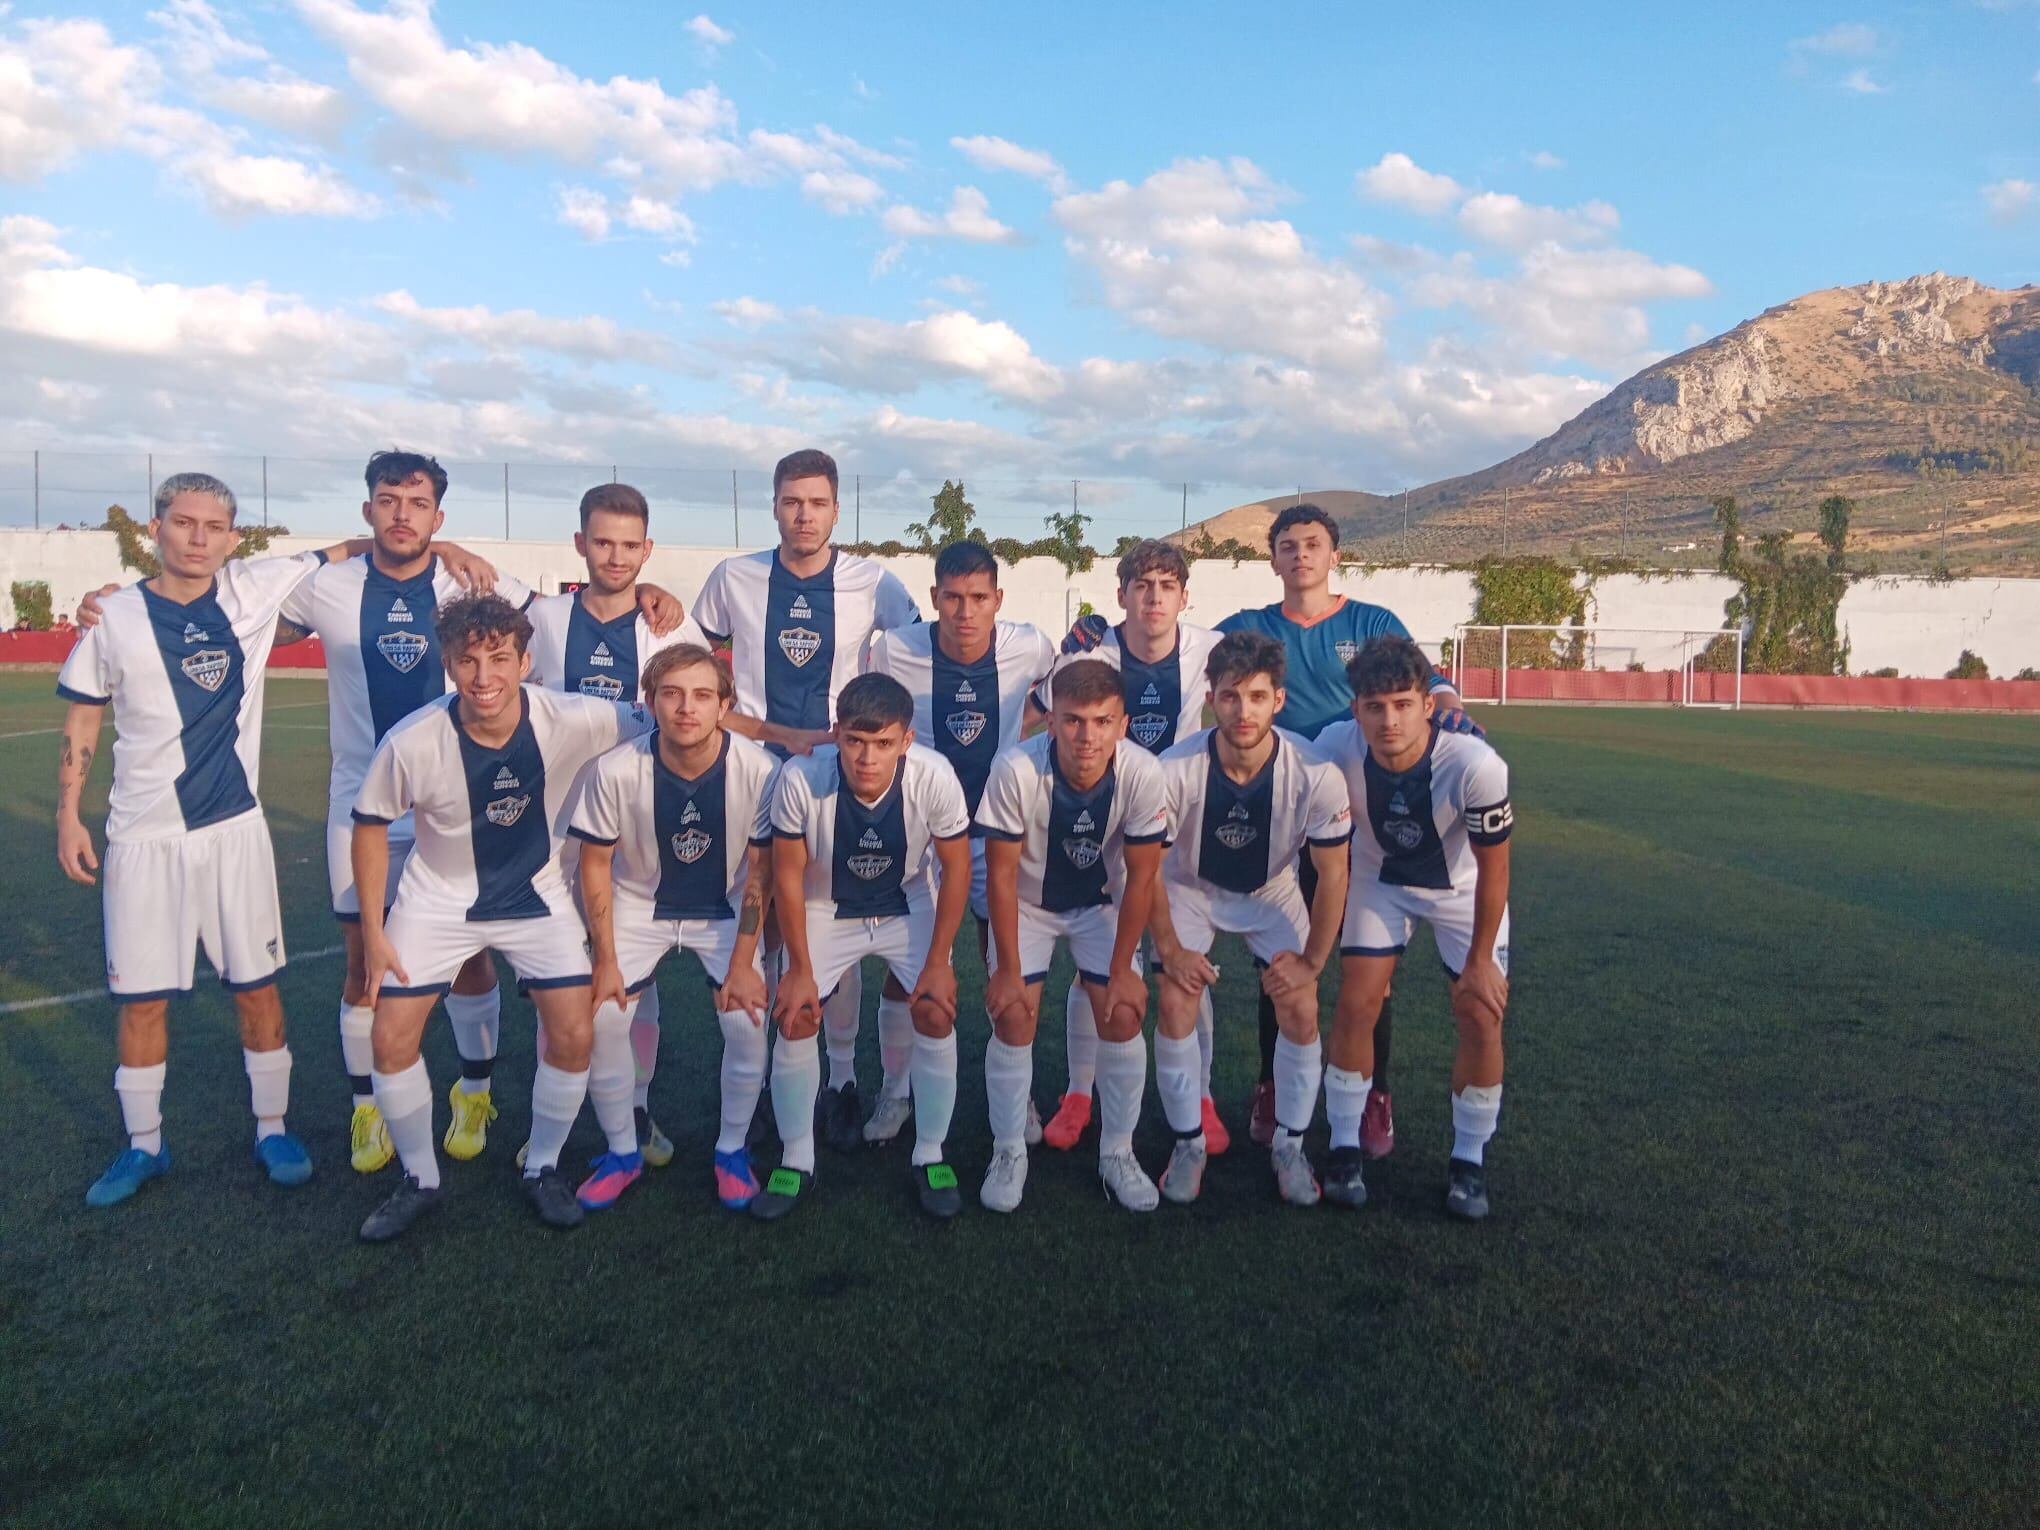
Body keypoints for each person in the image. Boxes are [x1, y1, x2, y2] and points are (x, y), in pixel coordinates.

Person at [54, 472, 371, 1205]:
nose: (198, 538)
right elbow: (82, 718)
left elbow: (358, 544)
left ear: (233, 537)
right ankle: (144, 1148)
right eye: (184, 522)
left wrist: (447, 543)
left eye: (213, 526)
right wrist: (69, 812)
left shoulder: (252, 591)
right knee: (142, 1001)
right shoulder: (114, 616)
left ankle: (272, 1128)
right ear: (156, 528)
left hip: (234, 831)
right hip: (141, 838)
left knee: (256, 988)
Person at [349, 594, 653, 1241]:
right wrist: (374, 932)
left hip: (536, 897)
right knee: (391, 1038)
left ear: (524, 660)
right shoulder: (413, 739)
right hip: (437, 899)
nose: (483, 676)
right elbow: (371, 825)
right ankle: (421, 1178)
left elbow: (674, 720)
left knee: (576, 1034)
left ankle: (542, 1166)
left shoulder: (573, 718)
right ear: (448, 664)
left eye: (498, 658)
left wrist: (784, 742)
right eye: (468, 661)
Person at [1215, 502, 1476, 1157]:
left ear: (1335, 556)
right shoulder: (1249, 628)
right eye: (1287, 545)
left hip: (1362, 818)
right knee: (1278, 961)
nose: (1300, 554)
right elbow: (1168, 650)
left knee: (1369, 974)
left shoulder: (1372, 622)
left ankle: (1372, 1096)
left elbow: (1430, 684)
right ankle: (1273, 1086)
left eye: (1312, 544)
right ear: (1271, 559)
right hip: (1277, 817)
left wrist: (1452, 713)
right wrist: (1096, 634)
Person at [690, 448, 922, 1156]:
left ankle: (843, 1081)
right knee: (758, 931)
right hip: (748, 769)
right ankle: (763, 1085)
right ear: (774, 505)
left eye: (817, 502)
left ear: (836, 510)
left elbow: (919, 646)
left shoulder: (874, 582)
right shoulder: (734, 577)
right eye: (792, 500)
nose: (803, 514)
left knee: (829, 923)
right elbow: (689, 654)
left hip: (837, 777)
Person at [528, 481, 708, 1173]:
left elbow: (700, 709)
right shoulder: (542, 617)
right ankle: (558, 1113)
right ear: (579, 543)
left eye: (631, 545)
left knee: (633, 976)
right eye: (602, 541)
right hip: (548, 830)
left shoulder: (669, 626)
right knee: (555, 978)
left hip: (639, 828)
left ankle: (633, 1104)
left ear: (648, 549)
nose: (616, 556)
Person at [755, 673, 972, 1221]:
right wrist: (800, 968)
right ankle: (797, 1159)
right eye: (854, 740)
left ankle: (930, 1153)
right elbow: (787, 875)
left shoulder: (935, 776)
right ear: (837, 735)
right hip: (827, 904)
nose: (867, 757)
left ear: (907, 740)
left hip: (906, 902)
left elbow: (956, 867)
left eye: (882, 743)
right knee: (798, 1012)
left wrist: (941, 961)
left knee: (934, 1006)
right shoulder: (801, 779)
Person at [570, 644, 778, 1213]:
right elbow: (594, 864)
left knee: (746, 1022)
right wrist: (605, 959)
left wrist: (742, 962)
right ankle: (621, 1152)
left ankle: (731, 1151)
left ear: (724, 705)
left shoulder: (761, 770)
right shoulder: (616, 769)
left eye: (703, 695)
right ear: (650, 702)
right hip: (639, 903)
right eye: (672, 694)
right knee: (605, 1018)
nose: (687, 708)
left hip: (724, 905)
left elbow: (761, 872)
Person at [861, 540, 1055, 1149]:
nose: (965, 612)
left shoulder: (1029, 645)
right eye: (952, 598)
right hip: (916, 830)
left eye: (978, 599)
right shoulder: (895, 650)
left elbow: (1056, 691)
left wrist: (1020, 739)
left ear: (998, 600)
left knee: (1003, 961)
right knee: (910, 963)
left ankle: (1015, 1094)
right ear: (934, 599)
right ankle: (896, 1090)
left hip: (994, 828)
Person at [1147, 633, 1351, 1207]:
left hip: (1272, 889)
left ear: (1278, 701)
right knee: (1174, 998)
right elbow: (1148, 871)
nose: (1244, 711)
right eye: (1231, 696)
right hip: (1189, 888)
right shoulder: (1174, 769)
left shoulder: (1316, 772)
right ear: (1211, 698)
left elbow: (1333, 875)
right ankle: (1188, 1144)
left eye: (1258, 697)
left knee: (1301, 1004)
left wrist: (1313, 962)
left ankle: (1289, 1144)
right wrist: (1170, 948)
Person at [1314, 636, 1513, 1219]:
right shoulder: (1333, 747)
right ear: (1356, 710)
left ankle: (1469, 1162)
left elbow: (1496, 870)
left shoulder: (1476, 765)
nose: (1388, 719)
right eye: (1374, 706)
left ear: (1428, 705)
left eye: (1402, 704)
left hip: (1462, 890)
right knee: (1356, 1003)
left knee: (1479, 1011)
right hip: (1381, 881)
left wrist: (1479, 961)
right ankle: (1345, 1148)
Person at [1039, 538, 1227, 1156]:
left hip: (1179, 826)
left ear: (1183, 597)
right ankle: (1079, 1092)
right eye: (1141, 585)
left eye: (1166, 586)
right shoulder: (1093, 653)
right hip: (1104, 825)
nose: (1153, 597)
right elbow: (1038, 715)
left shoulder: (1209, 649)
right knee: (1095, 968)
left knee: (1185, 963)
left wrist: (1439, 691)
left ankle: (1200, 1096)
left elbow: (1264, 678)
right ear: (1121, 595)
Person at [975, 659, 1169, 1213]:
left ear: (1123, 724)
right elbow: (1002, 877)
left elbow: (1142, 877)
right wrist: (1008, 970)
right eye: (1074, 721)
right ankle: (1009, 1149)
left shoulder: (1142, 772)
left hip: (1099, 903)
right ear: (1052, 721)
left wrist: (1125, 966)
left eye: (1102, 722)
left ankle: (1118, 1152)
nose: (1088, 736)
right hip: (1028, 904)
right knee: (1014, 1013)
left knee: (1124, 1011)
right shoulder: (1016, 768)